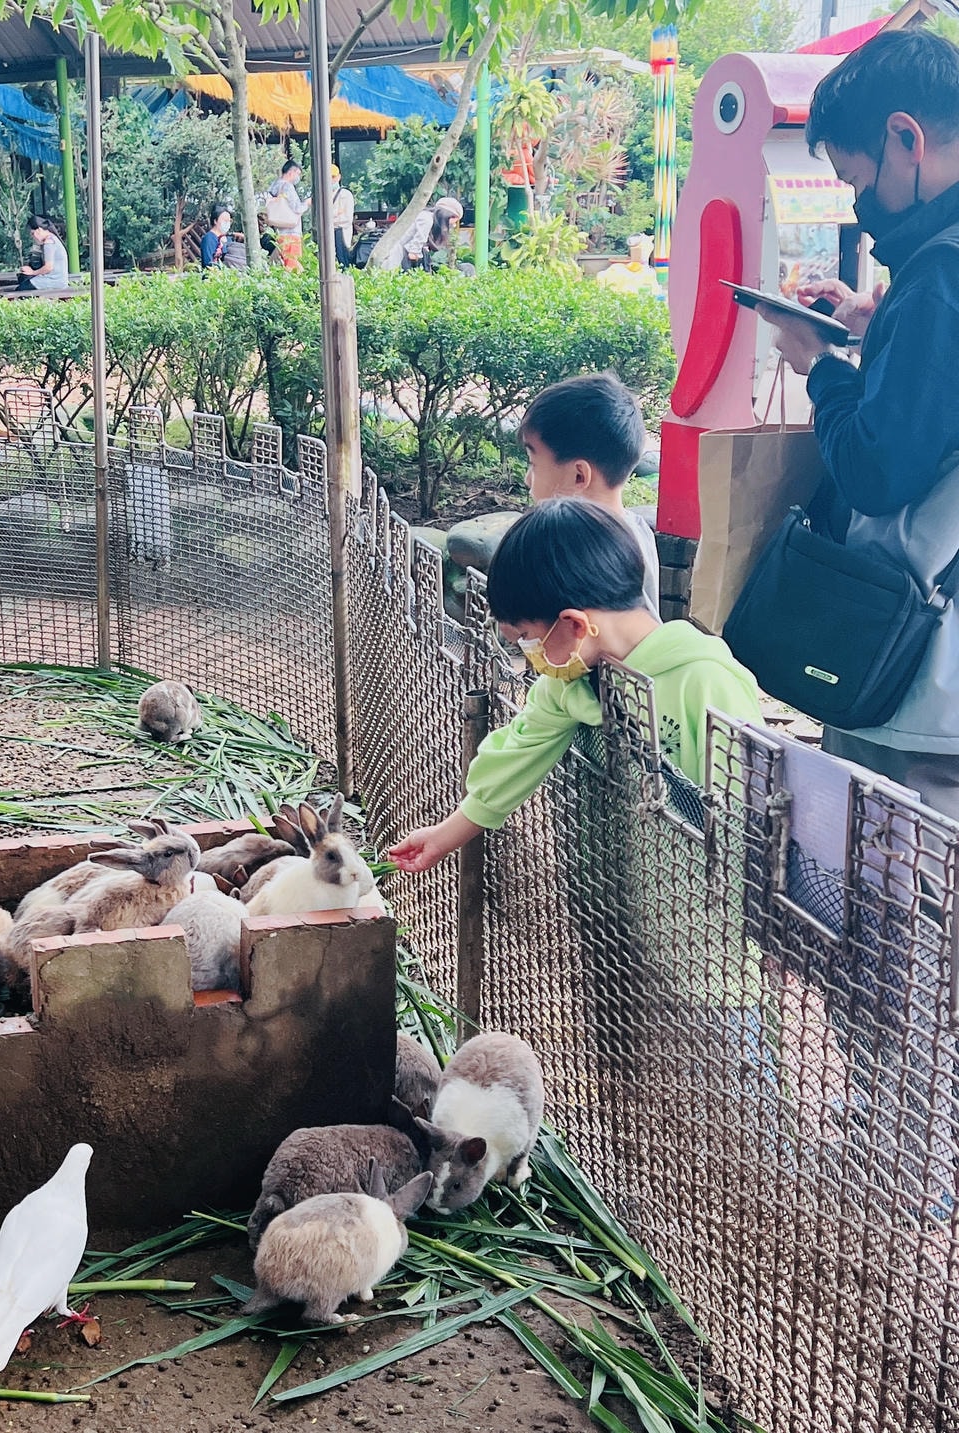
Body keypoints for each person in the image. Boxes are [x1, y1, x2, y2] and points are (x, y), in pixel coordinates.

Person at [756, 29, 959, 823]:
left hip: (923, 666)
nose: (856, 202)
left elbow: (878, 469)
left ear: (906, 137)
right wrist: (880, 339)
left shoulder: (940, 276)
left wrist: (825, 368)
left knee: (899, 908)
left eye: (856, 177)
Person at [390, 498, 762, 875]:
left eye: (526, 638)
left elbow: (747, 821)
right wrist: (446, 834)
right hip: (629, 887)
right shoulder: (574, 678)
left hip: (711, 903)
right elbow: (522, 745)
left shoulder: (707, 681)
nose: (527, 653)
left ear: (574, 624)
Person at [518, 373, 661, 618]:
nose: (527, 479)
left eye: (533, 463)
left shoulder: (585, 554)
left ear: (579, 477)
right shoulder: (634, 529)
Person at [385, 196, 464, 272]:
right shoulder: (426, 220)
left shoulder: (428, 217)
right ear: (448, 215)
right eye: (455, 220)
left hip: (399, 251)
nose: (453, 225)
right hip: (395, 253)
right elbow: (414, 252)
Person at [266, 160, 311, 271]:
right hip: (291, 233)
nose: (298, 177)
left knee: (284, 263)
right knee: (293, 266)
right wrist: (307, 203)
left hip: (280, 232)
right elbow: (297, 208)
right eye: (298, 174)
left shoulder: (275, 186)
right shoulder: (287, 186)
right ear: (291, 172)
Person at [17, 216, 69, 292]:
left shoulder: (49, 243)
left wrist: (33, 272)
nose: (32, 237)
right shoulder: (53, 238)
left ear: (39, 230)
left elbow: (48, 267)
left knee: (21, 289)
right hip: (59, 281)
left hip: (54, 281)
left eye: (33, 233)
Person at [331, 164, 355, 269]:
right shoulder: (323, 194)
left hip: (341, 232)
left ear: (338, 177)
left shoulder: (346, 194)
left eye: (333, 177)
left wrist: (332, 220)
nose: (331, 180)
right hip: (329, 233)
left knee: (343, 262)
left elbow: (348, 219)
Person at [201, 206, 233, 271]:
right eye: (224, 220)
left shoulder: (229, 238)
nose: (227, 223)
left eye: (229, 221)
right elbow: (208, 263)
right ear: (215, 221)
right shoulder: (209, 238)